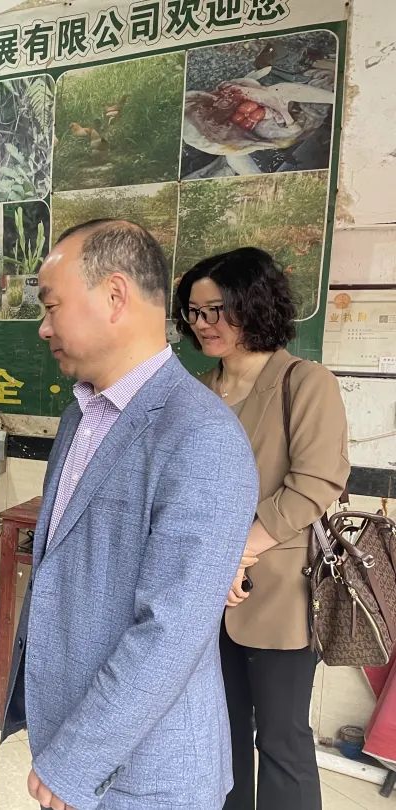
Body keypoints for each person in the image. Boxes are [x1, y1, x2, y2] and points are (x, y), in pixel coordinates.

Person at [1, 220, 259, 810]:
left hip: (147, 773)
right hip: (79, 738)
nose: (43, 327)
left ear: (115, 295)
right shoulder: (83, 413)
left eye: (52, 306)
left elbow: (171, 633)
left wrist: (77, 759)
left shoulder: (201, 436)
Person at [174, 247, 350, 810]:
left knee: (280, 739)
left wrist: (234, 555)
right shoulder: (195, 391)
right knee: (218, 737)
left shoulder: (305, 382)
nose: (204, 324)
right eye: (194, 312)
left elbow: (315, 483)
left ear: (254, 304)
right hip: (202, 596)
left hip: (279, 597)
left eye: (217, 310)